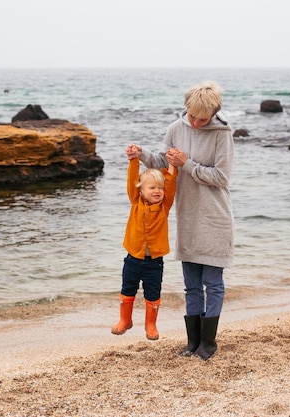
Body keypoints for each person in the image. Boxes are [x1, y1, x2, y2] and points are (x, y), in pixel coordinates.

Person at [126, 81, 234, 360]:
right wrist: (142, 156)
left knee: (213, 282)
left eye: (202, 118)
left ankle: (208, 343)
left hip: (214, 215)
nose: (196, 123)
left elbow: (222, 178)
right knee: (191, 285)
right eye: (192, 116)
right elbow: (164, 162)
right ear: (186, 109)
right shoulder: (177, 128)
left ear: (213, 113)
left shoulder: (223, 134)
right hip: (186, 216)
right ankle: (193, 342)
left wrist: (186, 163)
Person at [112, 144, 178, 340]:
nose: (157, 191)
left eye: (159, 188)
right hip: (132, 258)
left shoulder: (164, 206)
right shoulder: (135, 201)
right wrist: (134, 159)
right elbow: (132, 180)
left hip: (154, 262)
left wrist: (173, 166)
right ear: (141, 190)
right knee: (127, 289)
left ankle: (151, 325)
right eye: (152, 188)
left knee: (152, 292)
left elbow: (171, 183)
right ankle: (125, 320)